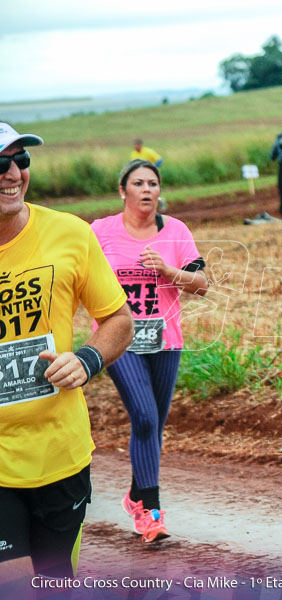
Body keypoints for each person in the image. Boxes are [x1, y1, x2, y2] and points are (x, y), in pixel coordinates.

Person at [0, 122, 134, 590]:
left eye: (21, 160)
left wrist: (87, 359)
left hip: (62, 452)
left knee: (55, 584)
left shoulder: (69, 234)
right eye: (0, 162)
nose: (12, 173)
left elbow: (119, 319)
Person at [91, 159, 208, 544]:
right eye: (138, 183)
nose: (147, 190)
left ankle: (136, 493)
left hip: (164, 340)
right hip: (118, 337)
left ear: (159, 191)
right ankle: (150, 511)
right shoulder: (100, 231)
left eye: (153, 183)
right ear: (122, 191)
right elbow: (80, 279)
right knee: (143, 416)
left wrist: (170, 273)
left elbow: (202, 283)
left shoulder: (175, 231)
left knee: (154, 424)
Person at [130, 138, 167, 212]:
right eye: (135, 145)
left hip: (150, 175)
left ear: (140, 145)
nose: (136, 146)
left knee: (152, 189)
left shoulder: (148, 151)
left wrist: (153, 168)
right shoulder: (133, 154)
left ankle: (161, 201)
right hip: (140, 176)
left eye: (137, 145)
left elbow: (159, 160)